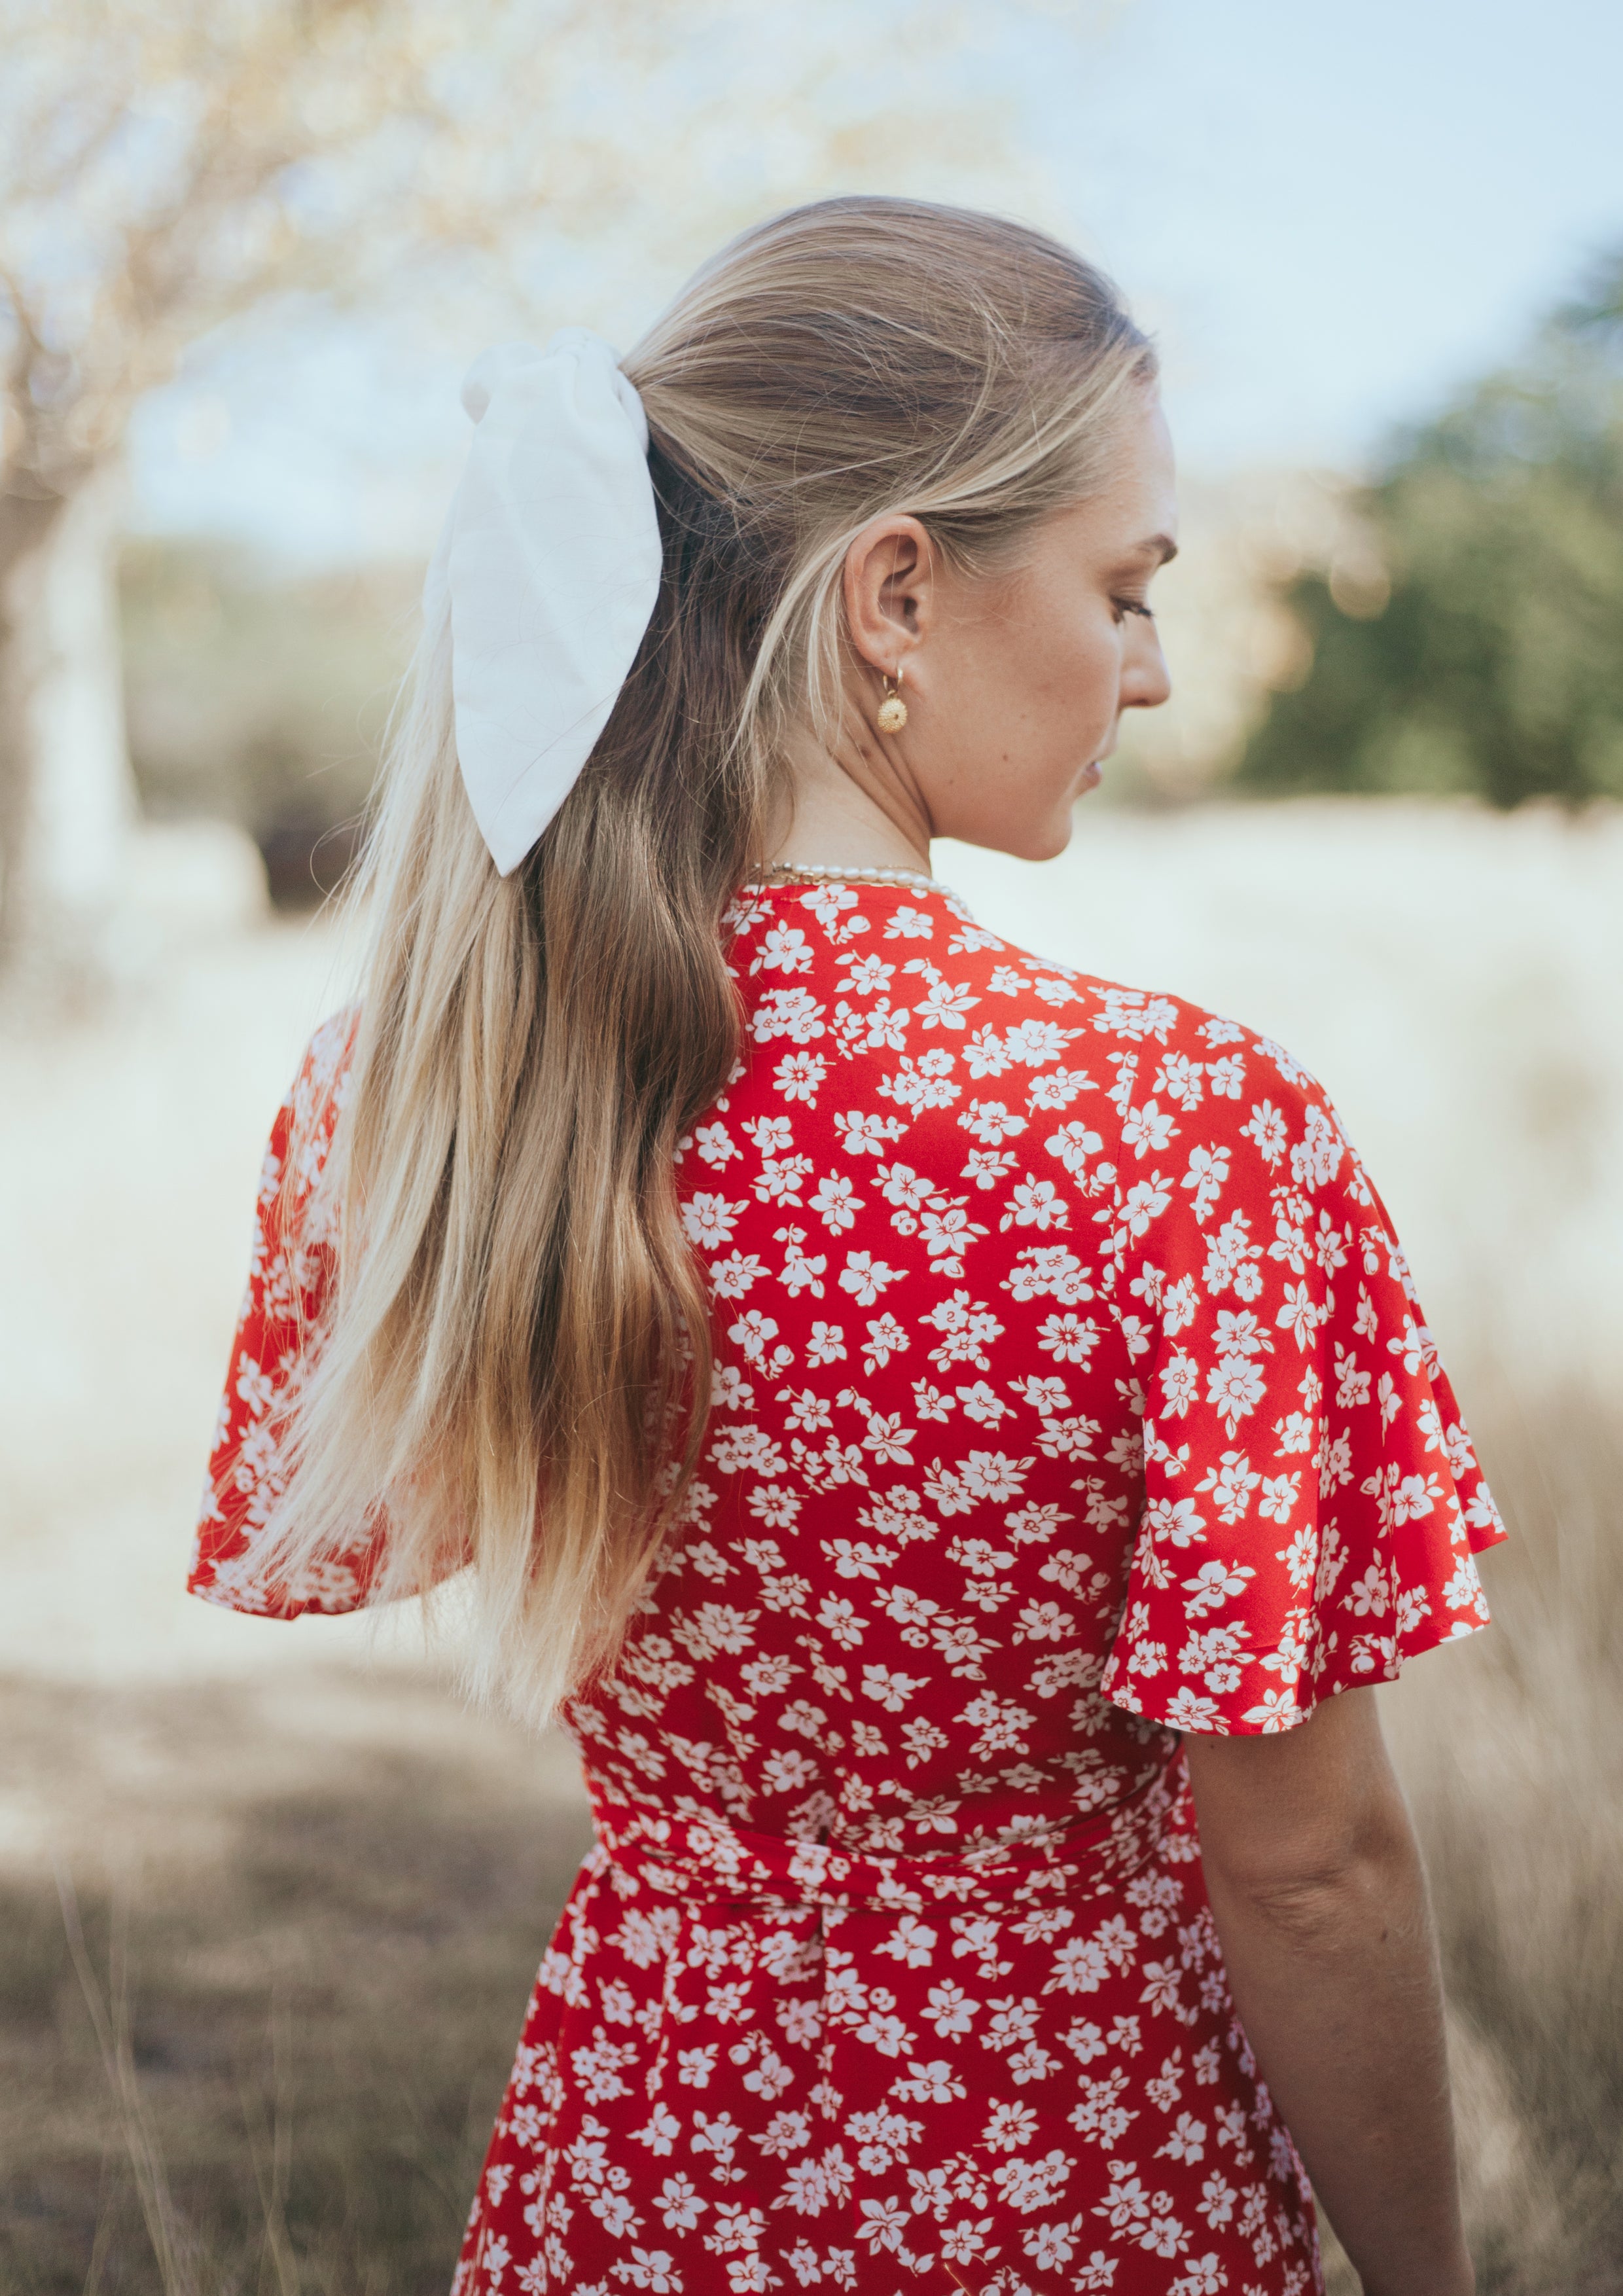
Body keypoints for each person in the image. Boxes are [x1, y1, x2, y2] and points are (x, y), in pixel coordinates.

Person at [188, 197, 1503, 2296]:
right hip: (1077, 2173)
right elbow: (1315, 1862)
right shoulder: (1177, 1130)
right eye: (1126, 586)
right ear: (896, 591)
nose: (1151, 670)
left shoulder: (433, 1083)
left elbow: (364, 1534)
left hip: (640, 2165)